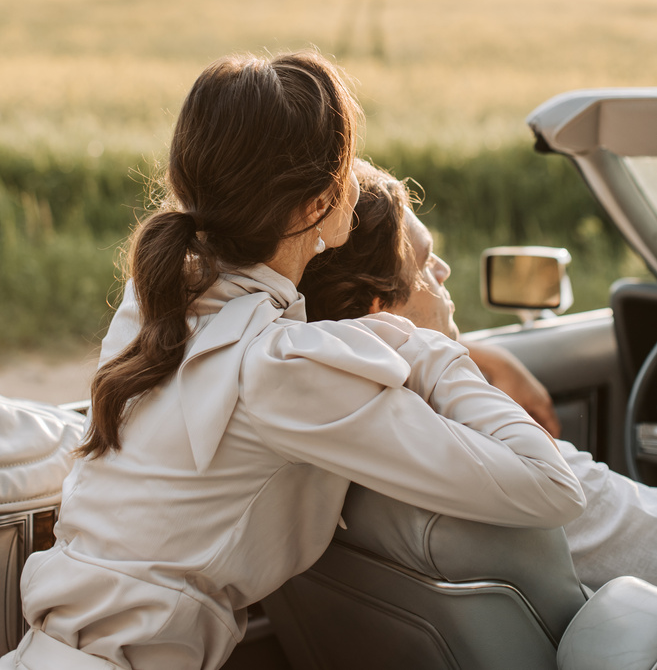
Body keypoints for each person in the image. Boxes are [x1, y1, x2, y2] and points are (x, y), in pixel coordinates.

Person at [1, 53, 584, 670]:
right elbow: (551, 487)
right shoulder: (284, 370)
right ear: (316, 206)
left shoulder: (153, 307)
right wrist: (427, 347)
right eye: (349, 164)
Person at [300, 159, 657, 590]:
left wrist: (482, 356)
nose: (444, 270)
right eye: (425, 260)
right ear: (380, 310)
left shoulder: (312, 421)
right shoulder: (515, 463)